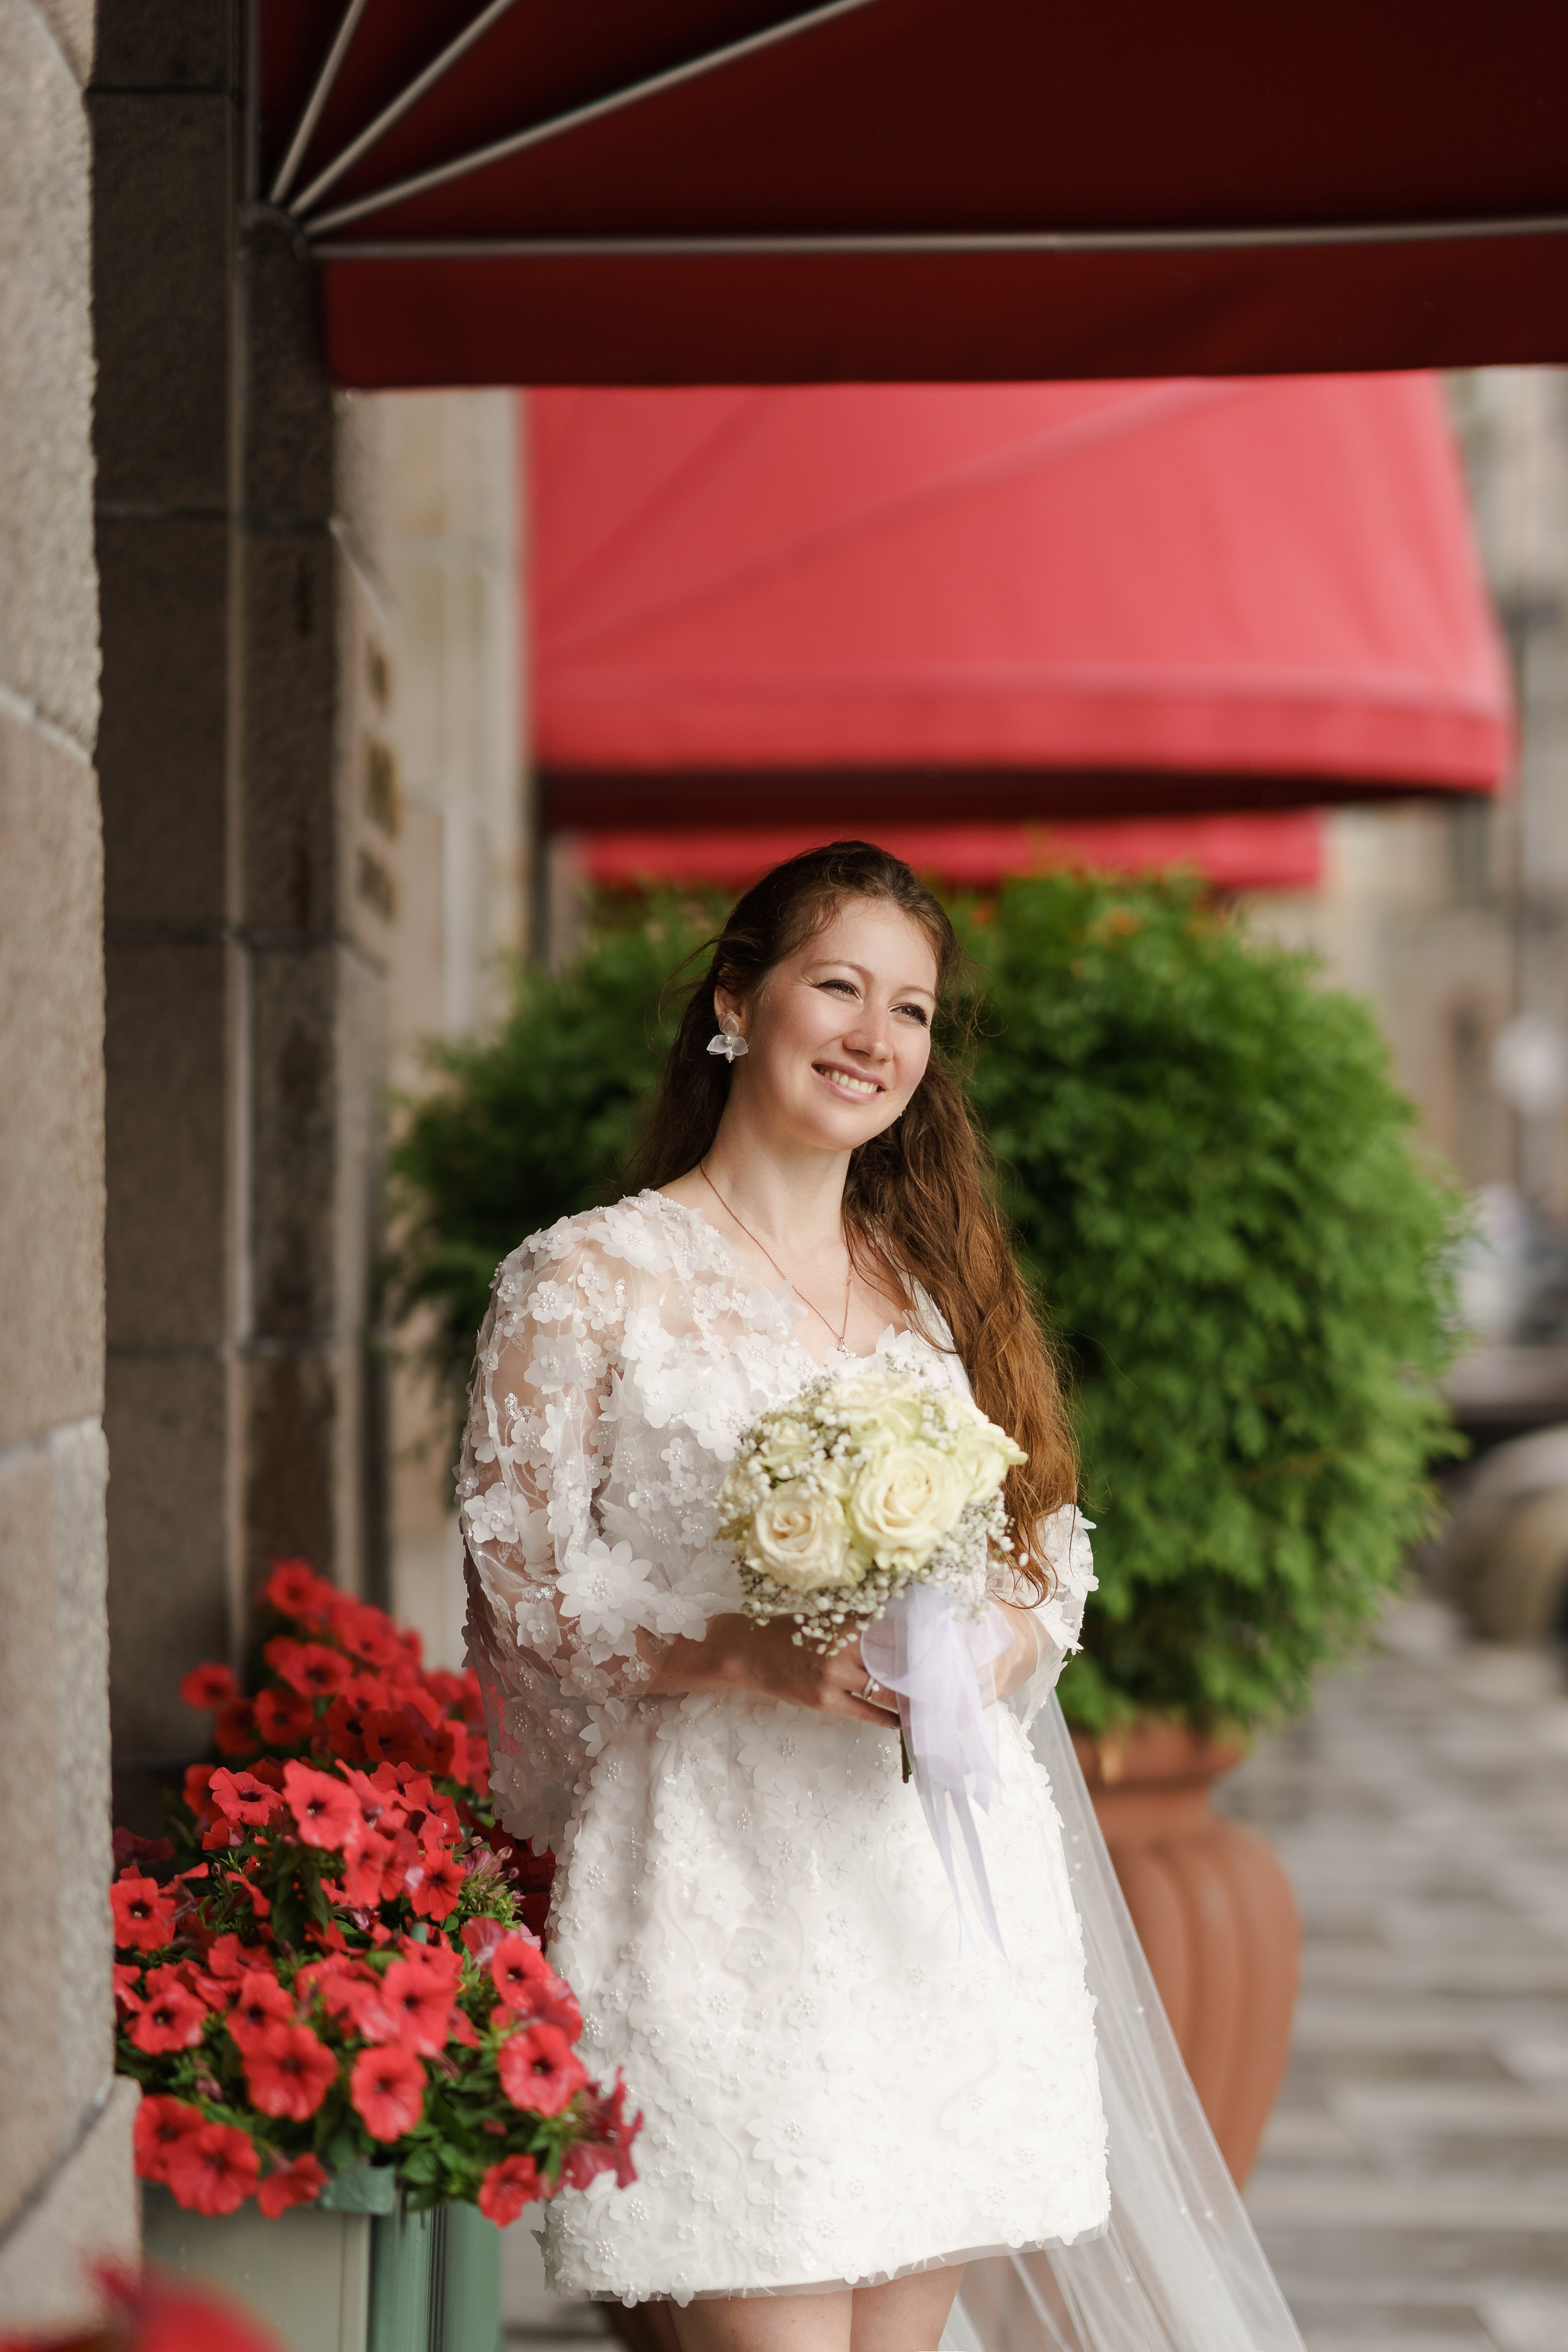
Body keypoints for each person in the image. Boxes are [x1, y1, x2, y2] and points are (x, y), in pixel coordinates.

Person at [461, 843, 1306, 2352]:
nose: (873, 1037)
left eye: (908, 1009)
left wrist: (992, 1643)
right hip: (719, 1894)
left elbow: (1046, 1547)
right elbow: (524, 1596)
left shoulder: (932, 1288)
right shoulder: (584, 1283)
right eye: (836, 987)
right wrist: (745, 1648)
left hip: (932, 1898)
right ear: (737, 999)